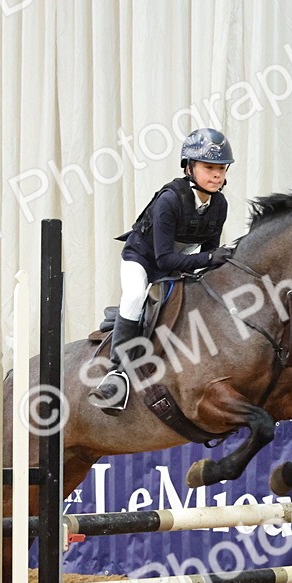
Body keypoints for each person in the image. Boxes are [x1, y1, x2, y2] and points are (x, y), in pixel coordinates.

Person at [87, 128, 236, 415]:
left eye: (221, 168)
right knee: (133, 296)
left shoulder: (219, 205)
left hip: (177, 262)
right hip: (143, 260)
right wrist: (209, 257)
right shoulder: (170, 200)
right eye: (209, 167)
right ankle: (116, 374)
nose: (216, 175)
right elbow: (165, 259)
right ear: (189, 167)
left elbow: (208, 256)